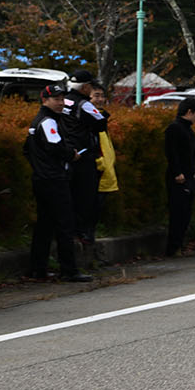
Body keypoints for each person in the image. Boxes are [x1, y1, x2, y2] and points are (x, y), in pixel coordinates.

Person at [24, 84, 92, 283]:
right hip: (53, 179)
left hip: (42, 178)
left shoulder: (41, 121)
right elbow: (56, 146)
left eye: (62, 99)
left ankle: (38, 268)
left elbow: (27, 150)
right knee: (64, 224)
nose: (61, 103)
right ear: (44, 100)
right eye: (56, 99)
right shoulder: (47, 121)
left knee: (44, 225)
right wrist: (72, 154)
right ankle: (69, 270)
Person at [63, 69, 107, 244]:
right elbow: (100, 123)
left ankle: (70, 230)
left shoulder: (62, 100)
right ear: (86, 87)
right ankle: (83, 232)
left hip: (64, 153)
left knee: (69, 195)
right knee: (86, 196)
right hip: (83, 155)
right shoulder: (83, 104)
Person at [164, 97, 195, 256]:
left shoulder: (188, 129)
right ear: (189, 112)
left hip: (189, 175)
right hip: (179, 177)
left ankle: (180, 243)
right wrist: (177, 172)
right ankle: (173, 247)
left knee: (186, 212)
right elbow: (171, 152)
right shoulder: (175, 128)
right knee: (178, 212)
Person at [91, 83, 118, 239]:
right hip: (97, 171)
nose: (100, 99)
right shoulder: (89, 118)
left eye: (102, 96)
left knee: (97, 211)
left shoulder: (101, 117)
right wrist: (99, 163)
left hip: (105, 171)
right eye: (96, 95)